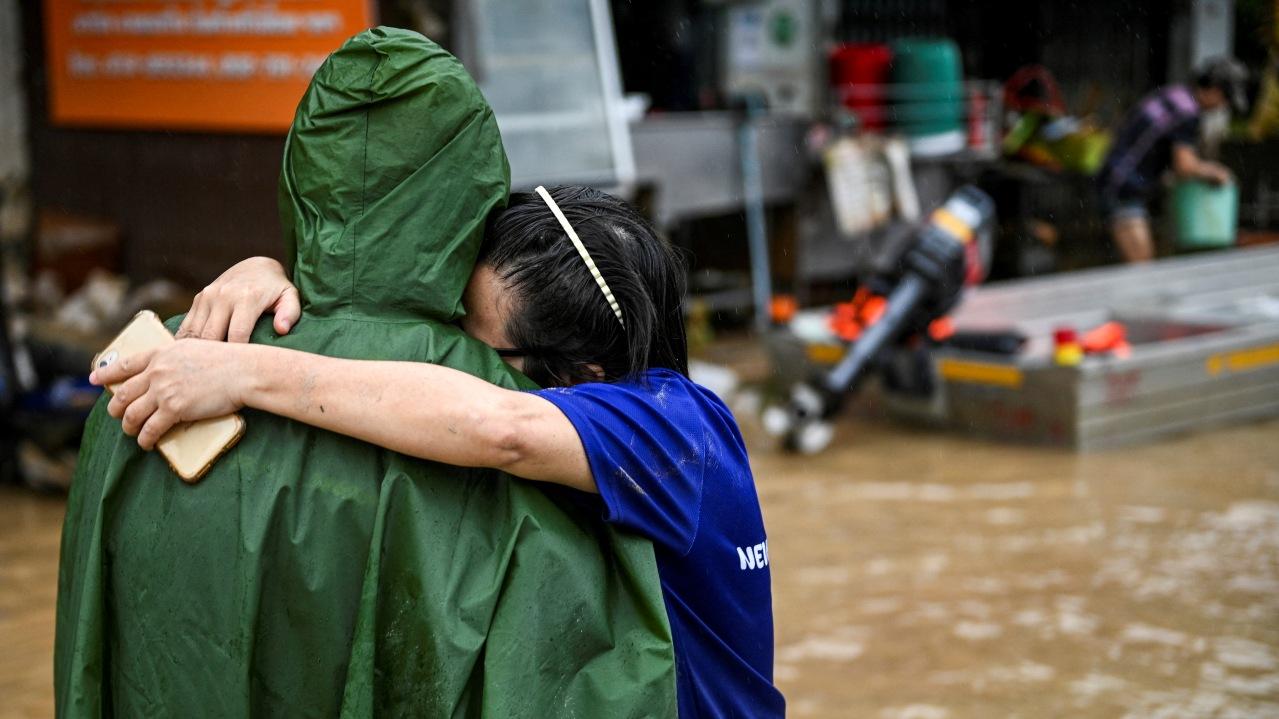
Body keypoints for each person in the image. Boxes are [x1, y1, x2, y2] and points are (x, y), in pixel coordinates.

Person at [59, 28, 678, 718]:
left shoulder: (156, 374)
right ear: (474, 193)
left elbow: (87, 656)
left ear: (299, 172)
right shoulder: (529, 417)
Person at [93, 185, 787, 718]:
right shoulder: (616, 419)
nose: (445, 355)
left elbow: (497, 426)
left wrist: (245, 374)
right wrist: (269, 278)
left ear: (582, 373)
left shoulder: (677, 429)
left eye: (470, 346)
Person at [1097, 57, 1249, 262]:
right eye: (1225, 100)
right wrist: (1217, 173)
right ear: (1214, 90)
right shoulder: (1187, 113)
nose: (1222, 107)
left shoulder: (1175, 95)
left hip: (1116, 178)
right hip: (1124, 187)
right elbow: (1184, 166)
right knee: (1141, 265)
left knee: (1139, 262)